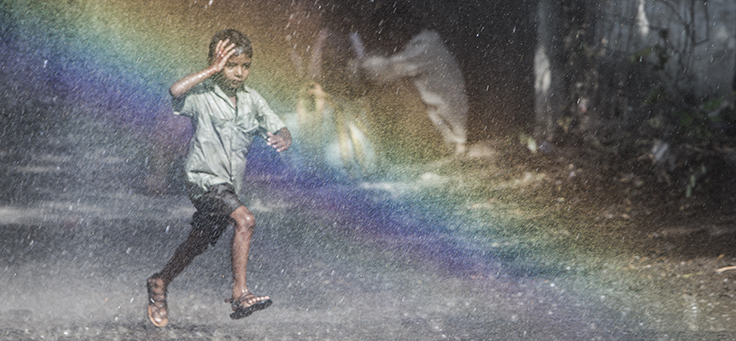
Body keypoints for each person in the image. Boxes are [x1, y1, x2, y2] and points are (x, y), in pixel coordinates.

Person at [146, 29, 292, 328]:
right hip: (203, 180)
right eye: (231, 65)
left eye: (245, 66)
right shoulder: (202, 95)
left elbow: (279, 126)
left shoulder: (252, 100)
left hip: (228, 187)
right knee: (246, 220)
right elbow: (175, 91)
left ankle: (160, 282)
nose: (239, 73)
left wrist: (284, 138)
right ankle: (240, 293)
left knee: (200, 240)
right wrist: (211, 70)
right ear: (218, 63)